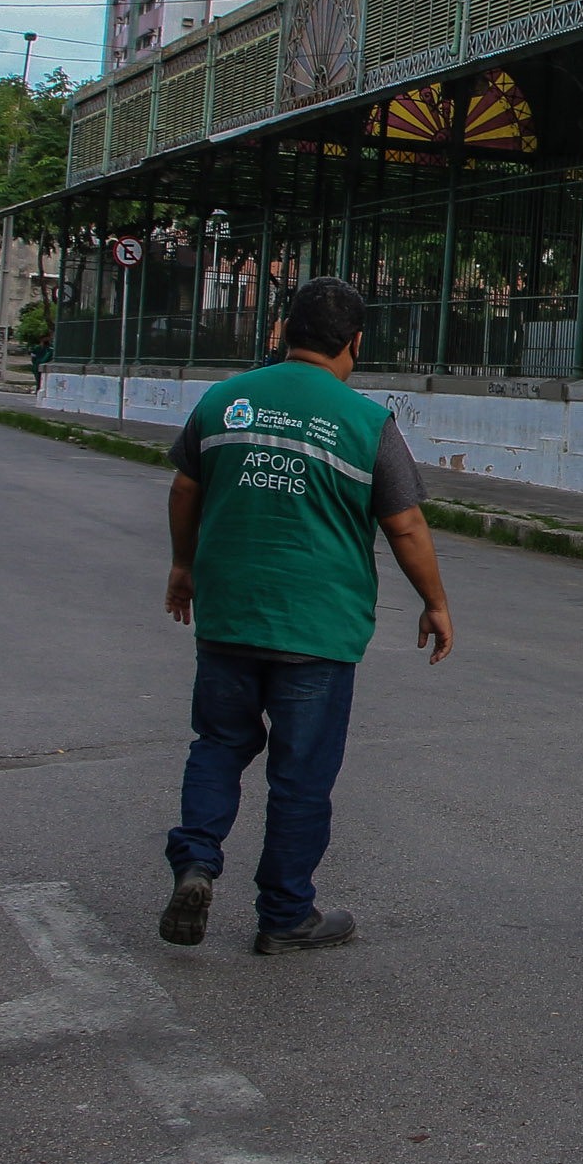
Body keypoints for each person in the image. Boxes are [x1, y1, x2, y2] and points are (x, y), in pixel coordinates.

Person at [157, 276, 454, 955]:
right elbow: (405, 525)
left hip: (228, 614)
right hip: (317, 630)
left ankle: (197, 862)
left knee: (218, 746)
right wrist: (434, 603)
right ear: (354, 343)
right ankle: (285, 914)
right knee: (300, 775)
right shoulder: (364, 422)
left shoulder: (224, 399)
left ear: (283, 330)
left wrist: (183, 565)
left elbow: (183, 487)